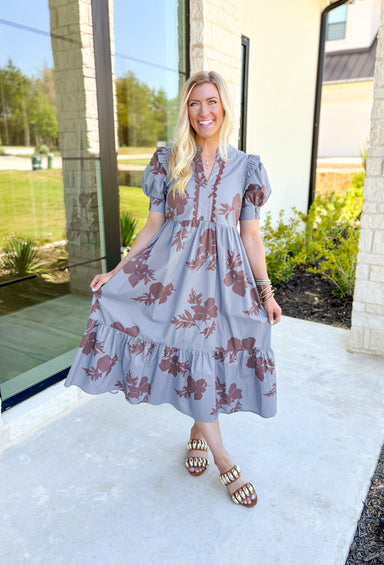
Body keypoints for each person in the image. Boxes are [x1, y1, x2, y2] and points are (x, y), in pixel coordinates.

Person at [65, 70, 281, 508]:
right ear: (187, 111)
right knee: (192, 358)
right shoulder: (168, 161)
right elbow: (153, 225)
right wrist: (117, 271)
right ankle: (223, 458)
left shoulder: (246, 167)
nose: (204, 112)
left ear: (224, 108)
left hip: (226, 285)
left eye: (212, 102)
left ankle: (197, 434)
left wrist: (267, 291)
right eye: (195, 104)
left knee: (213, 362)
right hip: (173, 282)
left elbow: (251, 237)